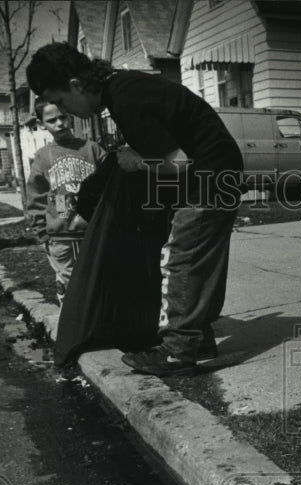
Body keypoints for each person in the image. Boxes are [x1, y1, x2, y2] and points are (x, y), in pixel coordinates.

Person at [26, 42, 244, 375]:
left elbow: (181, 162)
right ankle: (197, 339)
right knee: (200, 262)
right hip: (220, 172)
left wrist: (138, 162)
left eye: (59, 100)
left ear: (75, 85)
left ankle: (176, 352)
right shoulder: (123, 87)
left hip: (209, 178)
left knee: (182, 259)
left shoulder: (125, 98)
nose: (64, 109)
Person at [27, 99, 106, 305]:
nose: (59, 124)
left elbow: (109, 185)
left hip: (93, 232)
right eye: (52, 120)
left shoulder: (92, 149)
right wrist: (42, 231)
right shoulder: (44, 156)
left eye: (63, 117)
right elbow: (36, 195)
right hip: (61, 236)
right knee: (70, 286)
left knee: (98, 283)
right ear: (42, 123)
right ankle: (70, 331)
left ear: (70, 116)